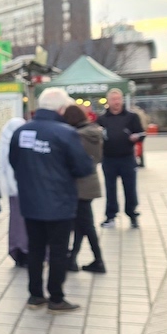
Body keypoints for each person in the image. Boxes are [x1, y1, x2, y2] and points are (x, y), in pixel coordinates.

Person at [9, 88, 95, 313]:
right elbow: (84, 167)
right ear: (61, 108)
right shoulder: (65, 133)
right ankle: (56, 297)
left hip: (30, 202)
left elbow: (14, 161)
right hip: (59, 203)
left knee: (35, 249)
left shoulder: (21, 132)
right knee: (58, 251)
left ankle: (35, 295)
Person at [63, 105, 105, 273]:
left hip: (80, 184)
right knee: (81, 224)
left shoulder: (77, 136)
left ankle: (99, 260)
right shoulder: (93, 132)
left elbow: (72, 160)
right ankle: (72, 259)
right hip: (90, 181)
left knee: (86, 225)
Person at [98, 89, 145, 228]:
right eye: (113, 99)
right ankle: (111, 216)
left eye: (118, 99)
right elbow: (94, 135)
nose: (116, 102)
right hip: (108, 159)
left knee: (130, 188)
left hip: (127, 158)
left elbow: (142, 133)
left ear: (122, 100)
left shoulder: (131, 117)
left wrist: (137, 137)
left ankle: (132, 214)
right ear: (108, 101)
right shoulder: (102, 119)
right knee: (110, 189)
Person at [0, 117, 29, 267]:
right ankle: (24, 250)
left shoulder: (4, 143)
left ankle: (17, 250)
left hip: (13, 192)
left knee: (16, 223)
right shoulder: (20, 143)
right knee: (23, 223)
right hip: (23, 190)